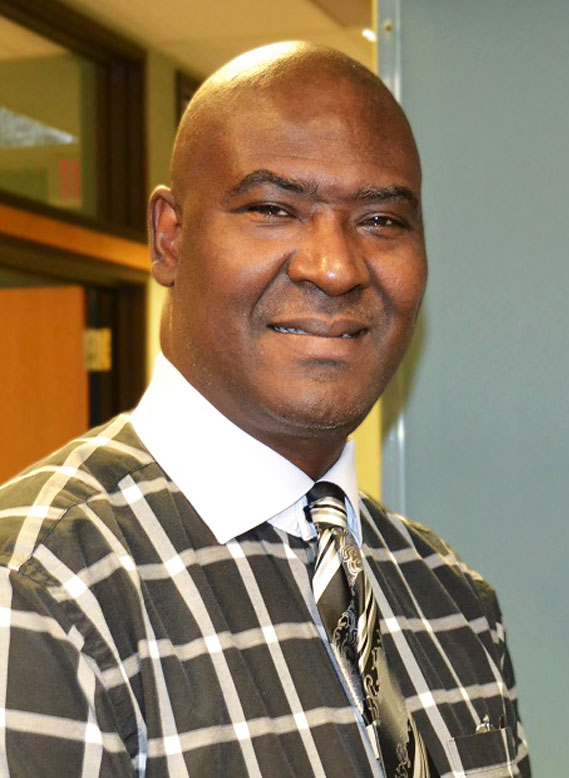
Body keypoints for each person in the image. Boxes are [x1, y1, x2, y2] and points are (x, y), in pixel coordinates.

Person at [0, 42, 529, 777]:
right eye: (274, 209)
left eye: (380, 220)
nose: (337, 267)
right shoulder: (43, 590)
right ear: (170, 237)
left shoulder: (453, 600)